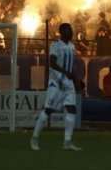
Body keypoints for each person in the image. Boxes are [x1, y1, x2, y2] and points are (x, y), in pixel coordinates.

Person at [31, 23, 81, 151]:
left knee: (71, 110)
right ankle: (35, 138)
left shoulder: (71, 46)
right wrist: (65, 73)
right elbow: (52, 63)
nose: (71, 32)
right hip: (57, 82)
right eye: (68, 30)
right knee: (48, 110)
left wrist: (76, 79)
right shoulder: (55, 45)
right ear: (62, 32)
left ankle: (67, 141)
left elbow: (72, 65)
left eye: (71, 30)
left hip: (68, 83)